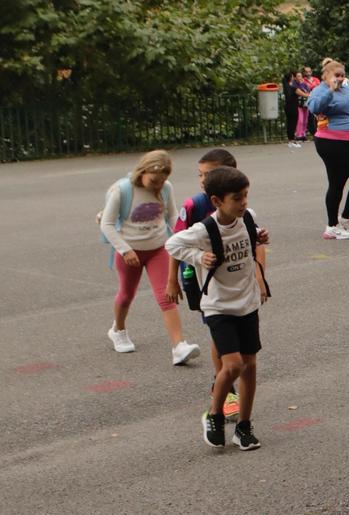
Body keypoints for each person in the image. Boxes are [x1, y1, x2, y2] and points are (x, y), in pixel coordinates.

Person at [165, 167, 270, 451]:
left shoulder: (247, 218)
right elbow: (172, 244)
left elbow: (250, 237)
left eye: (246, 195)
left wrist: (259, 236)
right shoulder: (204, 230)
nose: (244, 202)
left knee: (249, 366)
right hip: (218, 305)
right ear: (216, 201)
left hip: (246, 301)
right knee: (233, 364)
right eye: (237, 198)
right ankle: (214, 414)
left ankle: (244, 427)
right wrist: (198, 256)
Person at [101, 150, 201, 365]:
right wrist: (125, 250)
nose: (158, 185)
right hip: (130, 251)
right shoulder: (123, 190)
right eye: (154, 180)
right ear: (143, 171)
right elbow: (106, 223)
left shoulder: (166, 188)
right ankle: (118, 329)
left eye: (163, 180)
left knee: (166, 296)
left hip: (158, 248)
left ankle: (178, 346)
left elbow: (172, 215)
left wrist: (182, 236)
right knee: (127, 294)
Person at [166, 146, 239, 391]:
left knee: (231, 331)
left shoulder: (236, 202)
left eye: (207, 174)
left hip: (232, 279)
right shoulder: (194, 205)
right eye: (200, 174)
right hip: (201, 280)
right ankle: (222, 383)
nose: (202, 180)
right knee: (218, 330)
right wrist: (172, 280)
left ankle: (224, 379)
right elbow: (175, 243)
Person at [306, 60, 349, 239]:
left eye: (343, 75)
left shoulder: (347, 90)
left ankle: (345, 218)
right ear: (326, 76)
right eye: (337, 75)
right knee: (337, 183)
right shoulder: (320, 90)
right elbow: (314, 108)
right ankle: (331, 226)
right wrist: (330, 91)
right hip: (331, 142)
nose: (341, 79)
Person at [281, 71, 300, 145]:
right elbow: (303, 94)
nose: (293, 77)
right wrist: (310, 95)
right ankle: (292, 140)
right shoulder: (293, 88)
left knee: (289, 123)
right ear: (290, 78)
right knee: (293, 123)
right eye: (292, 76)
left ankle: (290, 139)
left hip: (287, 107)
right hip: (293, 107)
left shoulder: (286, 87)